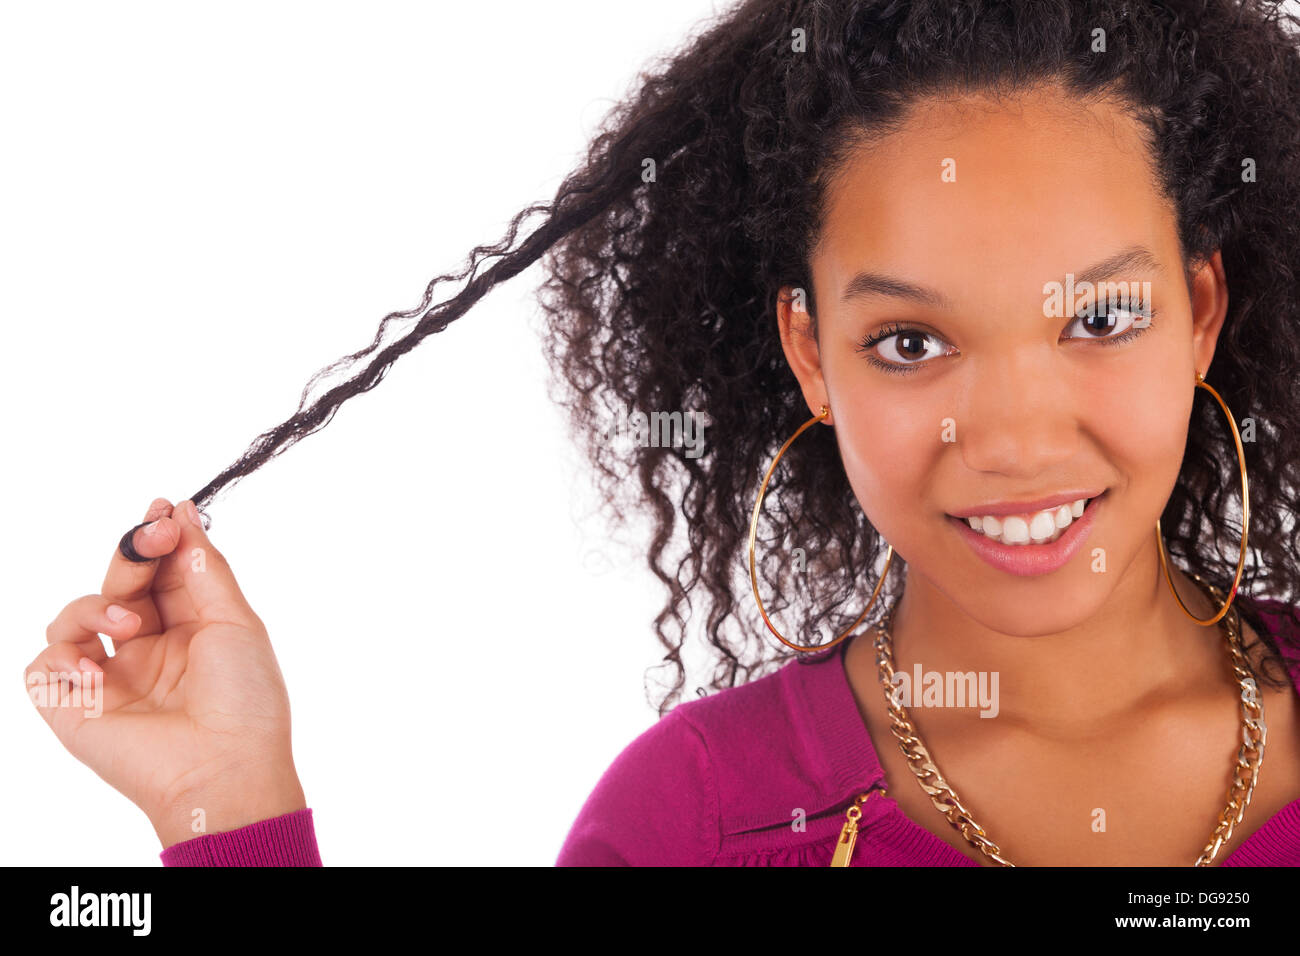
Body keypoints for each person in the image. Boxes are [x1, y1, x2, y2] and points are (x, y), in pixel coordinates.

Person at [26, 0, 1300, 865]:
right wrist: (229, 803)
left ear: (1197, 311)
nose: (1017, 439)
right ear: (809, 353)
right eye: (910, 341)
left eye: (1098, 318)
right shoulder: (695, 821)